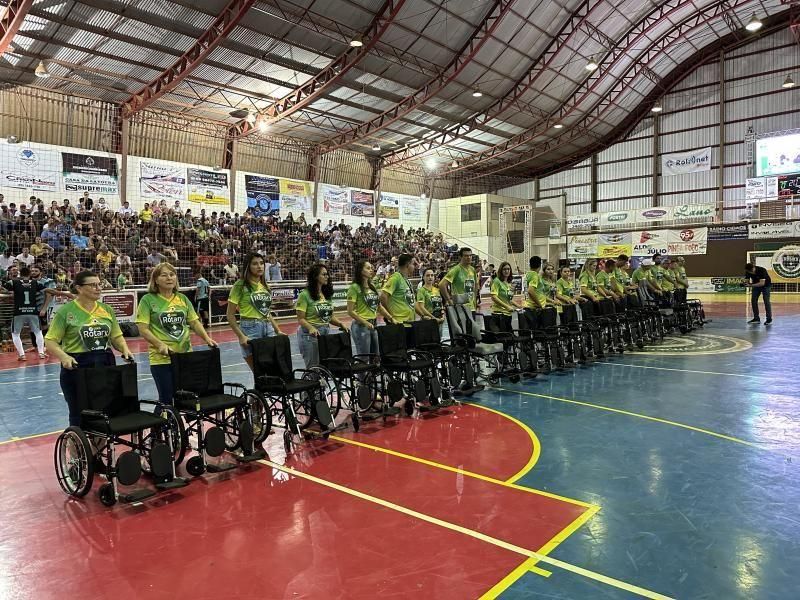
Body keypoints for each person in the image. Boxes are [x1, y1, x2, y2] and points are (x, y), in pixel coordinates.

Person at [44, 271, 134, 426]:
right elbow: (50, 341)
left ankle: (100, 445)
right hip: (77, 365)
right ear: (79, 288)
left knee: (106, 409)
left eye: (100, 284)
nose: (98, 288)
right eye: (93, 285)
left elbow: (116, 336)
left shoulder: (107, 309)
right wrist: (64, 357)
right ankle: (77, 446)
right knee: (78, 411)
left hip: (105, 362)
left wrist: (124, 348)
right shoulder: (66, 312)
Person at [136, 263, 217, 405]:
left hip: (185, 356)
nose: (169, 278)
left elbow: (194, 322)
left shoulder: (182, 298)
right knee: (166, 399)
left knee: (186, 397)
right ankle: (160, 427)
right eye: (164, 275)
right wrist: (160, 344)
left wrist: (207, 338)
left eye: (172, 274)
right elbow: (143, 328)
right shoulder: (147, 300)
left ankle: (178, 426)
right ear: (155, 279)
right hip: (161, 358)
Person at [227, 253, 285, 371]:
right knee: (259, 371)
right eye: (255, 264)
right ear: (248, 266)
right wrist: (241, 336)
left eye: (261, 263)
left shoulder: (264, 285)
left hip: (267, 327)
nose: (259, 266)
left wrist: (277, 330)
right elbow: (230, 315)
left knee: (273, 369)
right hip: (250, 328)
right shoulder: (240, 285)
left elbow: (266, 312)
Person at [1, 266, 67, 360]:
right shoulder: (36, 283)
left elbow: (3, 288)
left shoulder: (13, 282)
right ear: (29, 274)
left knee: (15, 334)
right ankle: (41, 353)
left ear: (20, 273)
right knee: (38, 331)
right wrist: (66, 294)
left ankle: (22, 355)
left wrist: (10, 293)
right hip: (33, 311)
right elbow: (50, 291)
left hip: (19, 311)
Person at [297, 263, 348, 367]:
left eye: (327, 274)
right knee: (314, 367)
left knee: (325, 365)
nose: (327, 277)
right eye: (324, 274)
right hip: (309, 335)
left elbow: (329, 317)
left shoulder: (326, 295)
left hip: (325, 333)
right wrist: (311, 328)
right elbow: (300, 319)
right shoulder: (305, 295)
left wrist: (340, 323)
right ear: (315, 276)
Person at [347, 260, 393, 355]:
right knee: (364, 358)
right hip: (361, 327)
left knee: (376, 357)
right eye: (368, 268)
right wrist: (365, 322)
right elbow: (350, 311)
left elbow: (379, 307)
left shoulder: (372, 287)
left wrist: (391, 318)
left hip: (373, 325)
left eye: (371, 268)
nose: (371, 270)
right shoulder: (354, 287)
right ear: (360, 271)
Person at [381, 253, 419, 325]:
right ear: (407, 265)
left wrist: (423, 315)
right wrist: (390, 316)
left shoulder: (407, 281)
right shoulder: (396, 277)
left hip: (409, 323)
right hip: (398, 324)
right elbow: (383, 297)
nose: (415, 267)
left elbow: (412, 303)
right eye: (413, 264)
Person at [416, 268, 445, 334]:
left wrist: (443, 315)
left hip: (439, 319)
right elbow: (421, 307)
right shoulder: (421, 291)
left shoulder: (436, 290)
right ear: (423, 277)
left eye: (432, 275)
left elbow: (441, 304)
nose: (430, 277)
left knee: (439, 340)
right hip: (429, 320)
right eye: (428, 275)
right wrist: (433, 318)